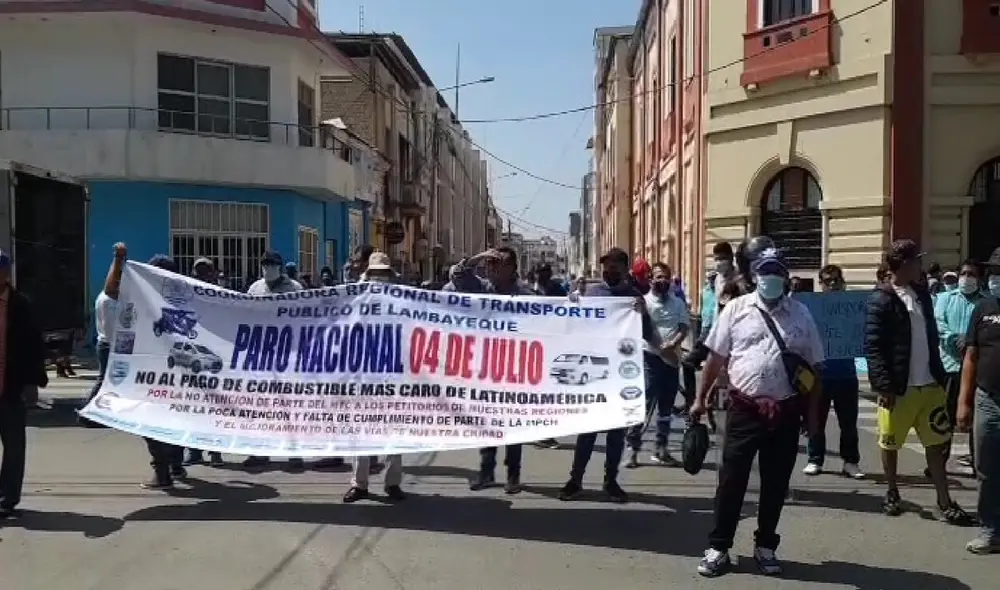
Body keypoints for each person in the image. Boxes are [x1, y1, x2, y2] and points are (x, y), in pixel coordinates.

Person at [691, 247, 824, 577]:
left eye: (777, 272)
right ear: (754, 277)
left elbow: (816, 368)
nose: (771, 278)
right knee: (731, 480)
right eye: (765, 272)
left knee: (776, 483)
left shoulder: (801, 315)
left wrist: (814, 417)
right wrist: (700, 398)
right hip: (744, 410)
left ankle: (766, 546)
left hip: (786, 411)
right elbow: (716, 358)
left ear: (786, 277)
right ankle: (718, 547)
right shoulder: (736, 309)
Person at [863, 239, 972, 523]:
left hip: (930, 384)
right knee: (890, 443)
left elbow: (931, 335)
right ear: (904, 264)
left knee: (936, 444)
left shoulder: (922, 293)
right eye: (916, 261)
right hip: (899, 388)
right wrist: (883, 386)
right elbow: (873, 347)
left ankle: (944, 500)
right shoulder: (881, 299)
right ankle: (892, 491)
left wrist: (939, 372)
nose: (921, 266)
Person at [559, 247, 658, 503]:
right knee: (587, 432)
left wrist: (642, 314)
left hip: (620, 378)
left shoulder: (634, 298)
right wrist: (573, 301)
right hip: (593, 374)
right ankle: (575, 479)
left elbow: (647, 335)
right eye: (606, 266)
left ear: (625, 269)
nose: (609, 270)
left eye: (615, 266)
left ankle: (610, 481)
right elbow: (571, 326)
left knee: (616, 436)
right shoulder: (591, 294)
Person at [470, 247, 534, 494]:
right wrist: (479, 256)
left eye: (500, 263)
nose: (494, 268)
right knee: (487, 423)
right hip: (487, 369)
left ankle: (513, 475)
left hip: (516, 370)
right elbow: (458, 277)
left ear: (513, 268)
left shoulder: (527, 295)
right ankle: (486, 472)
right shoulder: (482, 290)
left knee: (512, 425)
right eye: (491, 264)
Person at [344, 251, 406, 503]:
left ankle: (392, 483)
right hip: (364, 374)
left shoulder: (403, 300)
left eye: (384, 274)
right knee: (362, 431)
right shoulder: (357, 298)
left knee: (394, 432)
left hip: (393, 374)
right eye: (375, 274)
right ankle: (359, 484)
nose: (379, 279)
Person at [243, 251, 305, 470]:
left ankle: (294, 453)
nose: (267, 268)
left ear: (279, 267)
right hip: (261, 355)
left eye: (271, 264)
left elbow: (303, 320)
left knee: (288, 407)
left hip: (287, 356)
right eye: (264, 264)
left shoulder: (295, 289)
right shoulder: (255, 288)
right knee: (260, 407)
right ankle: (260, 452)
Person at [956, 246, 1000, 554]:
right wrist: (964, 402)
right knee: (986, 467)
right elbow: (971, 355)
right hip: (988, 399)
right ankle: (990, 531)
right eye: (995, 272)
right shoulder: (983, 308)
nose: (997, 278)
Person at [0, 249, 48, 517]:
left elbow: (34, 346)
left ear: (6, 273)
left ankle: (7, 498)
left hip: (12, 386)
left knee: (14, 445)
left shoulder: (21, 305)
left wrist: (33, 382)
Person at [803, 264, 863, 478]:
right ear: (821, 285)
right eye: (827, 281)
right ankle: (815, 459)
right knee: (816, 420)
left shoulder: (853, 308)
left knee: (849, 423)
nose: (832, 284)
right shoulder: (812, 309)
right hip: (821, 375)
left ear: (842, 282)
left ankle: (850, 462)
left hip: (846, 374)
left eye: (836, 280)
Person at [626, 262, 688, 468]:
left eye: (666, 277)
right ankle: (632, 450)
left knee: (666, 409)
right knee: (644, 406)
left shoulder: (678, 303)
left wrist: (674, 344)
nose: (662, 281)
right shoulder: (643, 302)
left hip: (672, 360)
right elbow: (640, 329)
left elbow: (684, 327)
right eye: (658, 276)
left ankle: (661, 449)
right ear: (651, 279)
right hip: (650, 359)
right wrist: (660, 347)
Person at [934, 259, 983, 470]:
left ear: (979, 279)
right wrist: (954, 338)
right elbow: (938, 323)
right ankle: (938, 462)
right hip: (950, 367)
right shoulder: (945, 298)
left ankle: (977, 460)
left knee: (976, 418)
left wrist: (970, 340)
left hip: (975, 368)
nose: (966, 278)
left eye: (971, 274)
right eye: (963, 273)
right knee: (944, 417)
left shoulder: (986, 302)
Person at [183, 258, 225, 467]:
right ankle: (194, 451)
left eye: (204, 272)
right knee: (193, 407)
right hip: (194, 358)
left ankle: (216, 451)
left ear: (212, 273)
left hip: (215, 358)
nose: (199, 276)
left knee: (215, 407)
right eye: (196, 272)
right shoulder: (188, 294)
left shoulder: (221, 296)